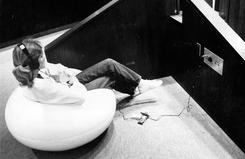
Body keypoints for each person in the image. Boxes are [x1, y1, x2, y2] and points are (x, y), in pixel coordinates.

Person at [12, 38, 163, 105]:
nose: (46, 56)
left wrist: (62, 75)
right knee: (110, 76)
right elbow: (79, 95)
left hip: (65, 83)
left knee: (109, 63)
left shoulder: (29, 73)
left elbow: (55, 72)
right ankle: (137, 87)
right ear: (37, 60)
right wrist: (69, 80)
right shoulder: (43, 86)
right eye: (44, 54)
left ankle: (139, 84)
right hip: (73, 88)